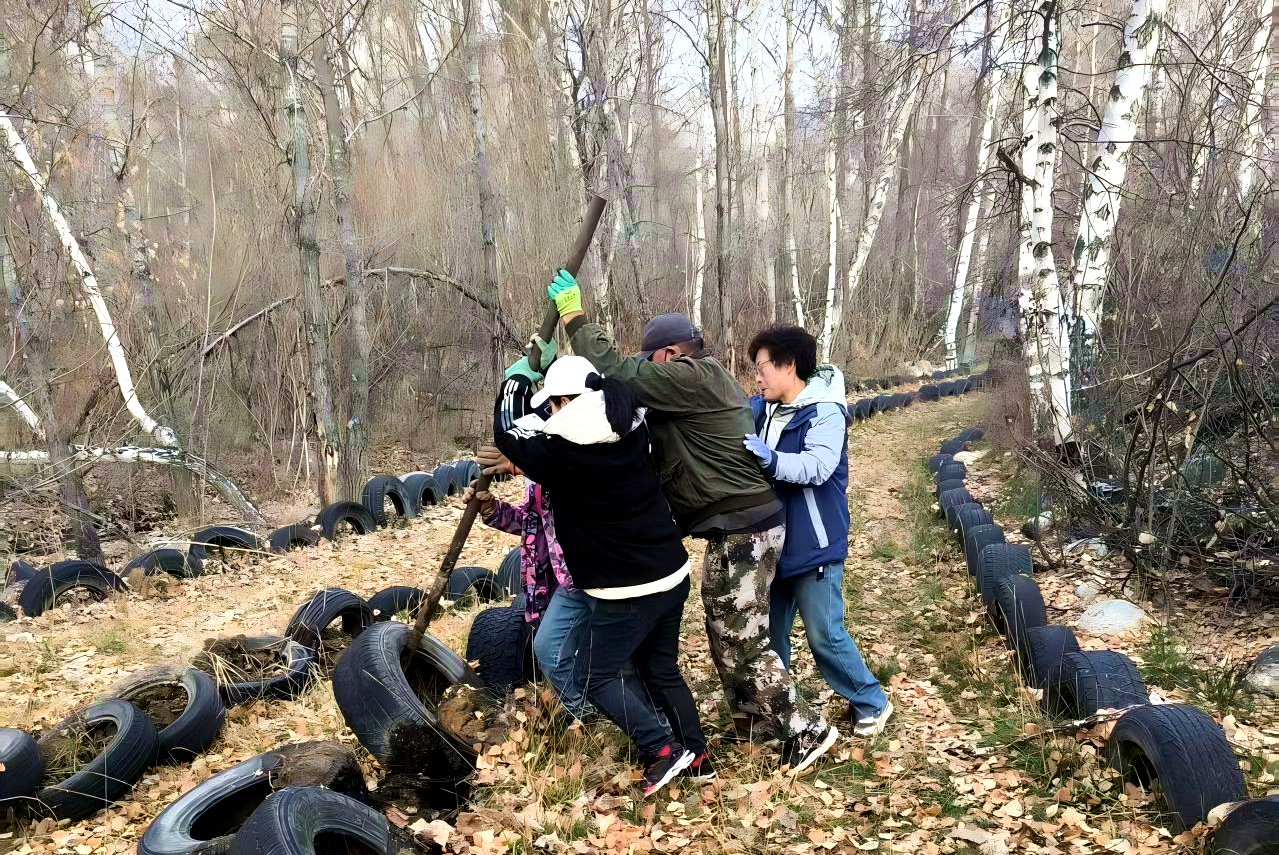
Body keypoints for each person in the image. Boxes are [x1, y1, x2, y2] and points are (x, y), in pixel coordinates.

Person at [545, 269, 837, 774]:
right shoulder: (690, 392)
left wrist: (574, 319)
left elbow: (625, 375)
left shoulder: (697, 376)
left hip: (744, 528)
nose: (648, 372)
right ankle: (759, 723)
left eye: (651, 362)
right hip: (738, 526)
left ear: (669, 355)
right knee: (727, 632)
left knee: (741, 638)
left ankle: (805, 729)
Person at [493, 352, 709, 796]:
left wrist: (516, 380)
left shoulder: (561, 453)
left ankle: (661, 750)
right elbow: (549, 421)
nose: (550, 412)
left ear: (564, 402)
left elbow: (508, 432)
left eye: (553, 404)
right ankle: (697, 756)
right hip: (671, 572)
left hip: (626, 589)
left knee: (595, 675)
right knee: (660, 668)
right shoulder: (630, 424)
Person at [744, 325, 893, 736]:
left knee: (824, 633)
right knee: (769, 636)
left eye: (762, 367)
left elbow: (817, 466)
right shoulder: (765, 410)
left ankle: (872, 701)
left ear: (789, 365)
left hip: (815, 543)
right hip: (774, 543)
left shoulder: (825, 412)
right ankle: (778, 711)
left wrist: (771, 460)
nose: (757, 377)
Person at [463, 345, 591, 720]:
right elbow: (533, 523)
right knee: (553, 650)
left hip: (587, 575)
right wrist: (493, 510)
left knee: (589, 653)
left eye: (553, 405)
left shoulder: (581, 448)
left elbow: (572, 488)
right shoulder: (538, 471)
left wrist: (518, 462)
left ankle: (605, 718)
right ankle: (583, 717)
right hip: (549, 580)